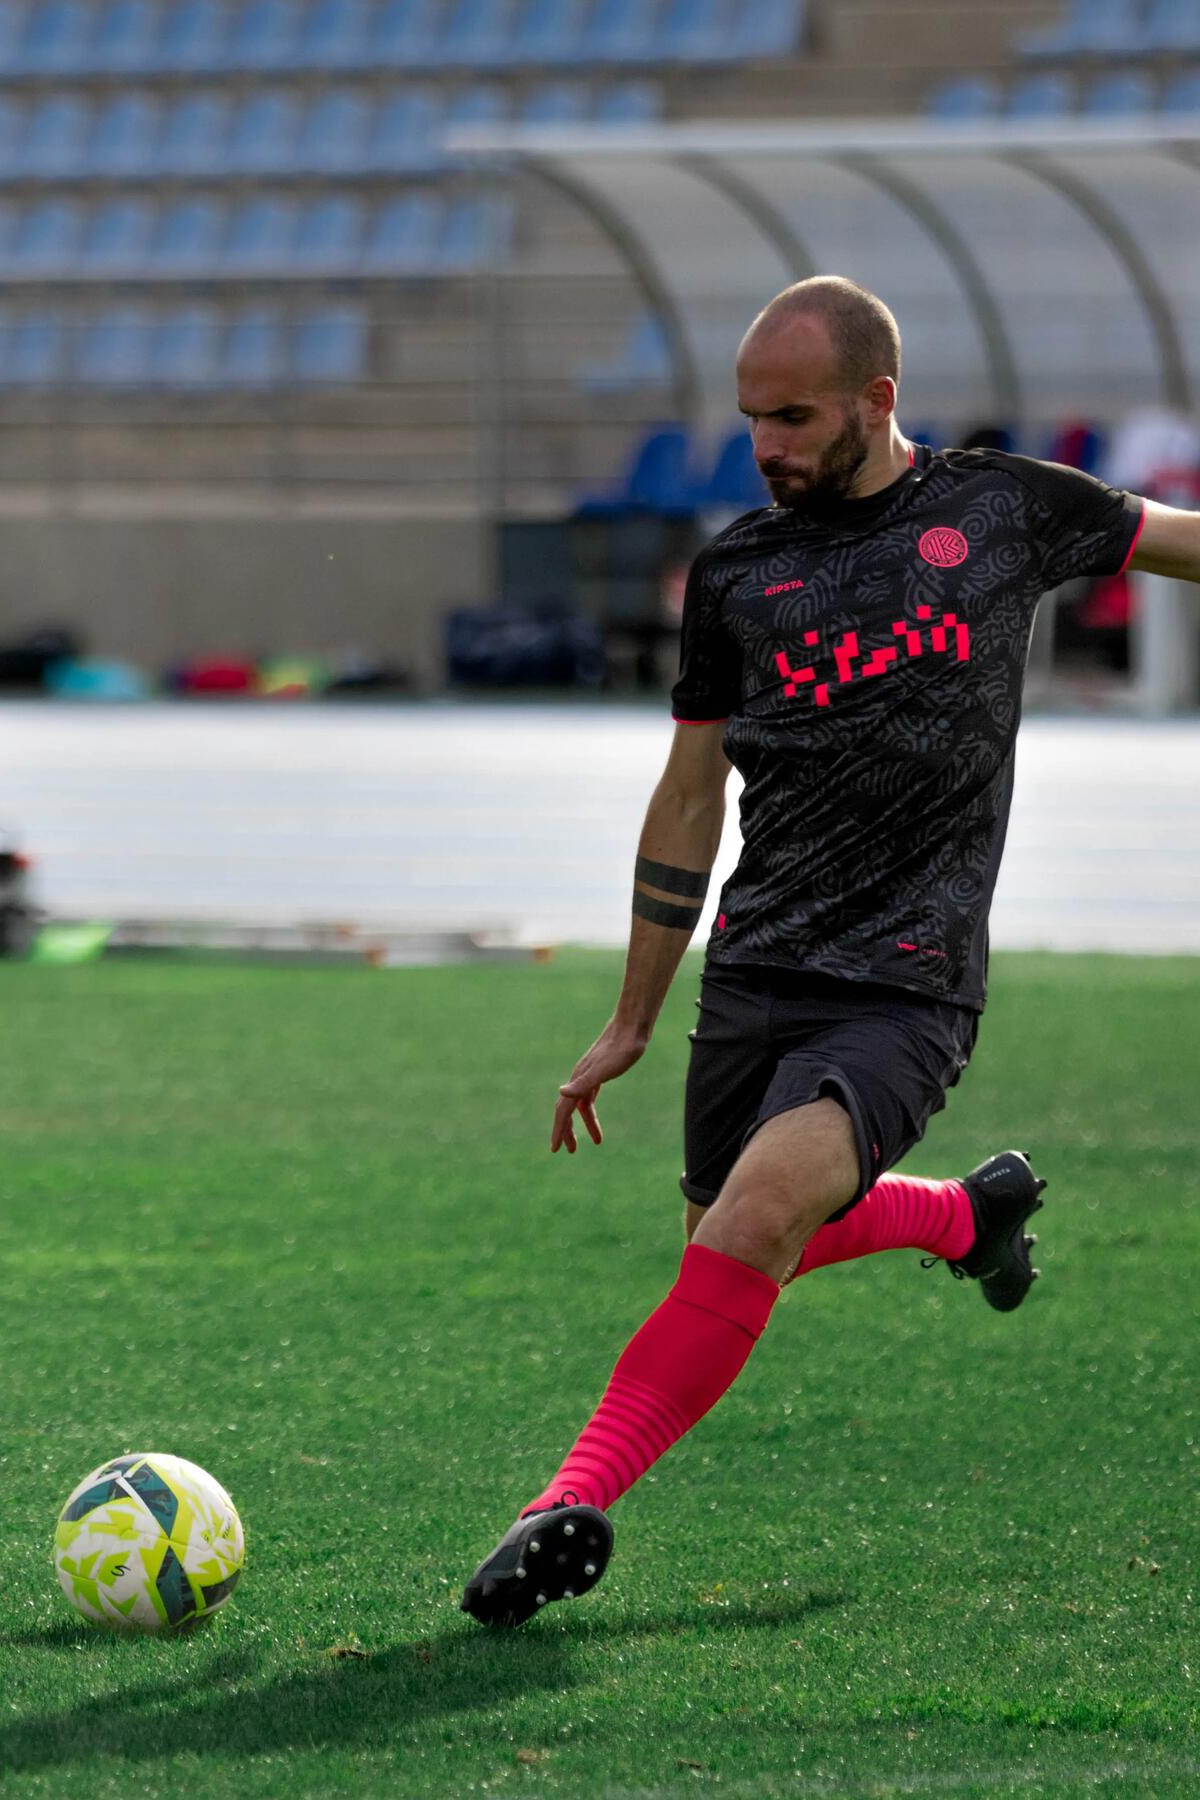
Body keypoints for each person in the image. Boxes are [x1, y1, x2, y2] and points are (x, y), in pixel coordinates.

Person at [461, 275, 1200, 1627]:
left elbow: (1178, 540)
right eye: (751, 421)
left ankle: (563, 1503)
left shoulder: (1002, 511)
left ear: (878, 400)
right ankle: (968, 1215)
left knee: (750, 1224)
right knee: (737, 1241)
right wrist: (632, 1014)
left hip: (907, 979)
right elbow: (690, 794)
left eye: (795, 417)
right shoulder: (739, 572)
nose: (770, 446)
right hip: (755, 967)